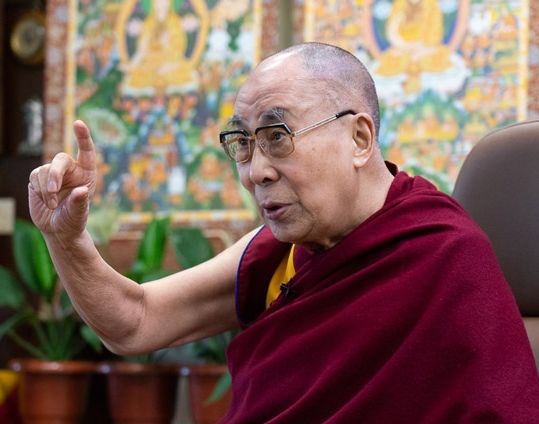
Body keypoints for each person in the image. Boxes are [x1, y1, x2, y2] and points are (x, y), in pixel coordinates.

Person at [28, 42, 539, 423]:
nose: (256, 171)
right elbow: (135, 322)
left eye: (277, 138)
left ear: (359, 138)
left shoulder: (444, 254)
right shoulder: (279, 253)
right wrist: (65, 240)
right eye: (243, 144)